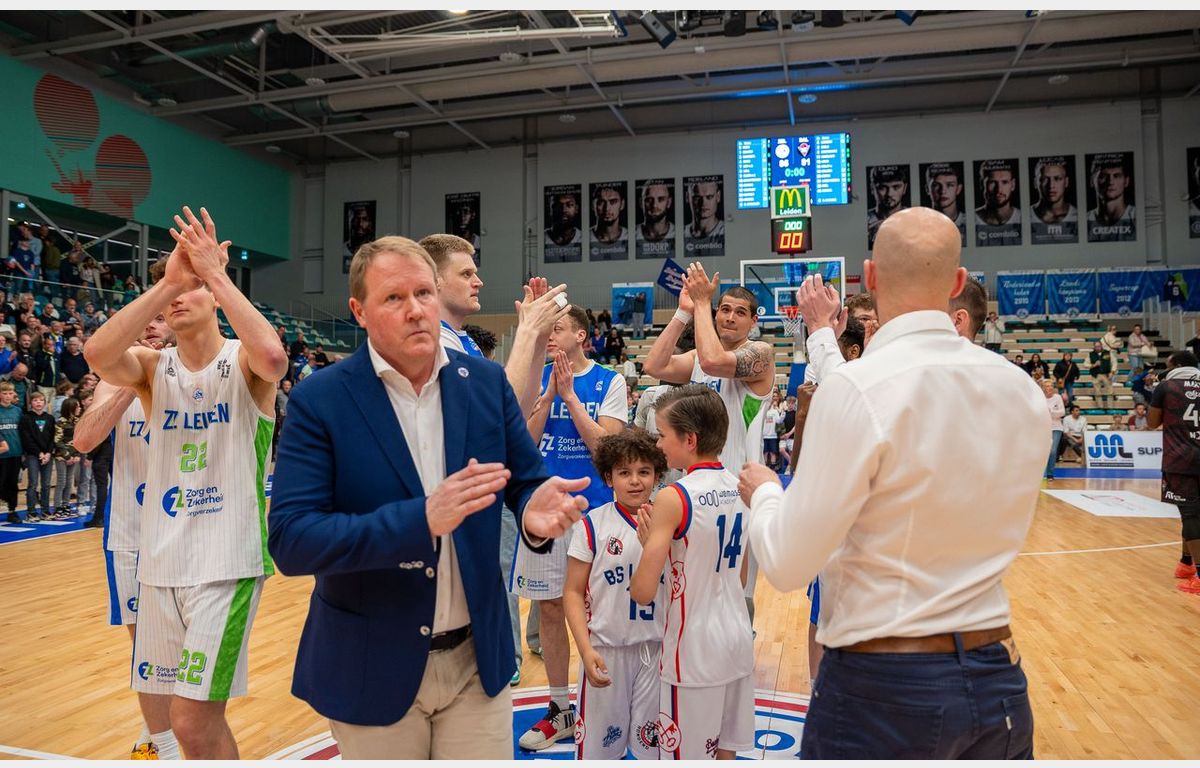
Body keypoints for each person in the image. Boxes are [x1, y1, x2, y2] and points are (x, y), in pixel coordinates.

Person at [739, 207, 1044, 759]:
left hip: (884, 684)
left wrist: (764, 493)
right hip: (998, 675)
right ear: (957, 281)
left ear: (871, 276)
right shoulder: (1021, 389)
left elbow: (786, 564)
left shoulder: (858, 387)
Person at [267, 235, 587, 759]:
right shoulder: (320, 401)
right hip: (373, 663)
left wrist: (534, 510)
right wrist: (421, 520)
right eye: (394, 298)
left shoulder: (484, 383)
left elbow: (524, 480)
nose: (415, 310)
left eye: (423, 293)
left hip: (475, 661)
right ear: (359, 311)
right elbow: (292, 540)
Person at [84, 206, 289, 759]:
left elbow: (274, 358)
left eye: (193, 289)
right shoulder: (153, 368)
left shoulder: (242, 362)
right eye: (176, 290)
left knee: (193, 721)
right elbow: (97, 354)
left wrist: (214, 275)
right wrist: (170, 282)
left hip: (226, 562)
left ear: (216, 296)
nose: (179, 299)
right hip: (160, 564)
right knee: (177, 725)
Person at [516, 305, 628, 751]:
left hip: (594, 512)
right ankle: (561, 708)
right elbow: (523, 445)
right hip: (544, 511)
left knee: (600, 609)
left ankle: (607, 702)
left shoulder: (609, 381)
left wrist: (570, 398)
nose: (548, 334)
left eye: (556, 328)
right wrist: (547, 398)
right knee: (548, 609)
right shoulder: (535, 378)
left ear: (581, 335)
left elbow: (609, 449)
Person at [641, 264, 774, 626]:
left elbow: (715, 361)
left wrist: (702, 302)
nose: (729, 317)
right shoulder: (698, 358)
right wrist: (684, 312)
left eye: (740, 312)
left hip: (739, 488)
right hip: (695, 487)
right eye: (724, 309)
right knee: (693, 587)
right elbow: (653, 365)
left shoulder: (761, 353)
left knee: (735, 595)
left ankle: (741, 648)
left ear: (753, 322)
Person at [630, 384, 754, 760]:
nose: (658, 445)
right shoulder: (742, 487)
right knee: (725, 753)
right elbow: (741, 577)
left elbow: (642, 592)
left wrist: (650, 545)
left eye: (663, 435)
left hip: (693, 650)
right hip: (736, 638)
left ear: (690, 439)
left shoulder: (674, 496)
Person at [563, 429, 668, 760]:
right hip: (606, 651)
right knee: (599, 753)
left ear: (657, 475)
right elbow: (572, 592)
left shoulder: (672, 524)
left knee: (654, 754)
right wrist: (584, 649)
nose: (635, 481)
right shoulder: (592, 525)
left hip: (657, 651)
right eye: (624, 472)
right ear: (609, 478)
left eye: (644, 471)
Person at [1147, 351, 1200, 594]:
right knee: (1192, 514)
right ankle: (1186, 562)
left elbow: (1152, 423)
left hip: (1181, 459)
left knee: (1190, 515)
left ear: (1176, 365)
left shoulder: (1166, 387)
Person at [19, 391, 55, 523]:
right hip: (33, 455)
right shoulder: (26, 418)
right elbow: (27, 439)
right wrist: (39, 453)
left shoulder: (50, 418)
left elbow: (53, 437)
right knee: (33, 483)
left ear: (45, 403)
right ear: (31, 403)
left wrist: (48, 453)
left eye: (41, 400)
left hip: (47, 455)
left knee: (46, 484)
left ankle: (45, 511)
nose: (38, 402)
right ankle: (31, 512)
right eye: (35, 400)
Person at [1087, 154, 1136, 242]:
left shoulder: (1137, 217)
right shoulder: (1084, 221)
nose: (1110, 182)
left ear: (1126, 181)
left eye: (1117, 176)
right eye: (1103, 176)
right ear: (1092, 181)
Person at [867, 165, 909, 247]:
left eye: (896, 187)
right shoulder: (863, 222)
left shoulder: (914, 219)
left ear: (904, 188)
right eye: (882, 187)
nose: (889, 194)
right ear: (872, 188)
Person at [0, 382, 23, 524]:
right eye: (4, 393)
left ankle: (12, 511)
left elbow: (23, 431)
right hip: (2, 454)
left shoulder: (17, 411)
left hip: (16, 452)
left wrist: (24, 451)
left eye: (10, 393)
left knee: (13, 483)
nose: (8, 396)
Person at [1031, 157, 1077, 226]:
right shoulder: (1023, 216)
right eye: (1044, 179)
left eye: (1057, 178)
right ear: (1035, 183)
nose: (1051, 185)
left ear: (1066, 182)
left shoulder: (1079, 216)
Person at [924, 162, 965, 240]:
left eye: (950, 185)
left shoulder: (974, 222)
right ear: (927, 189)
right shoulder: (919, 224)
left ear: (958, 189)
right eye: (936, 185)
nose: (942, 191)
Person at [975, 159, 1021, 227]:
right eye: (992, 182)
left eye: (1004, 182)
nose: (999, 190)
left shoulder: (1023, 218)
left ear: (1013, 185)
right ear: (982, 184)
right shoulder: (969, 219)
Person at [1043, 378, 1066, 480]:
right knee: (1044, 451)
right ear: (1043, 388)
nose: (1050, 388)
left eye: (1051, 386)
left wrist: (1051, 412)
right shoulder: (1040, 398)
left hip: (1056, 427)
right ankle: (1042, 473)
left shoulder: (1057, 397)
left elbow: (1062, 412)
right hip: (1043, 428)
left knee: (1052, 451)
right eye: (1047, 386)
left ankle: (1050, 473)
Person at [1089, 340, 1115, 410]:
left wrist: (1112, 372)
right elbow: (1085, 364)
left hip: (1106, 374)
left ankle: (1110, 407)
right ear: (1094, 347)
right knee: (1097, 392)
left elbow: (1114, 362)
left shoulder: (1108, 353)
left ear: (1101, 346)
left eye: (1099, 346)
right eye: (1096, 346)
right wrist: (1094, 365)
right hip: (1096, 375)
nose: (1098, 347)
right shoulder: (1090, 354)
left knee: (1110, 391)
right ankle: (1100, 407)